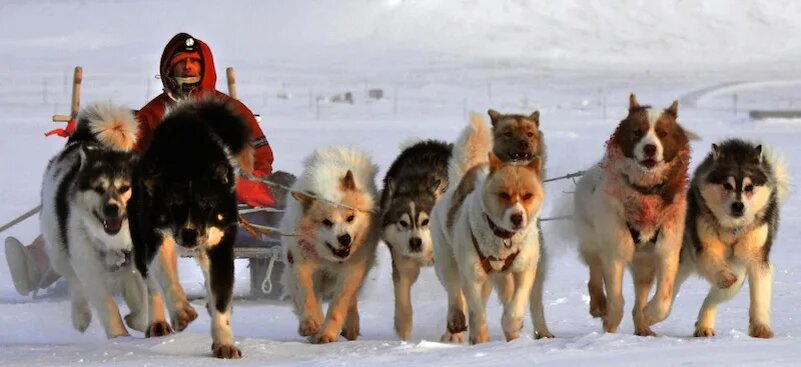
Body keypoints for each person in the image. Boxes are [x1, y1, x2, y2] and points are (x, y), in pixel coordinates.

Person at [5, 32, 279, 296]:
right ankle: (36, 262)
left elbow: (261, 161)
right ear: (168, 68)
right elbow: (129, 155)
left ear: (205, 68)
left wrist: (231, 178)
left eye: (194, 62)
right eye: (181, 62)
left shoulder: (230, 111)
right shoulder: (154, 112)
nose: (188, 68)